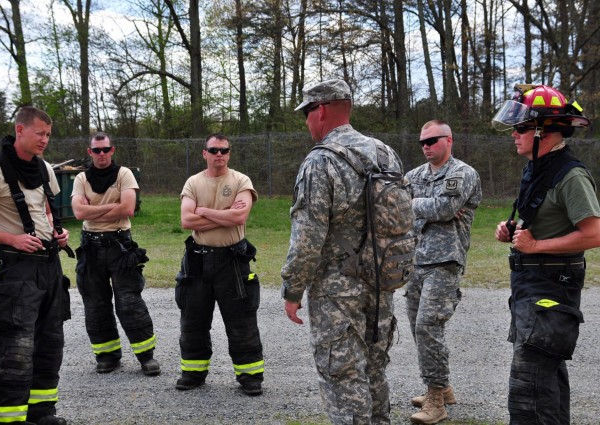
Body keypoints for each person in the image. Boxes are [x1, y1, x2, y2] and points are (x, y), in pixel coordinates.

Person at [281, 79, 403, 424]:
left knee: (342, 376)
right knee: (375, 369)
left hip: (337, 290)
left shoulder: (320, 161)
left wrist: (293, 289)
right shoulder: (384, 153)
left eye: (307, 112)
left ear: (320, 110)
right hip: (381, 281)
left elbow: (308, 235)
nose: (306, 121)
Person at [492, 84, 600, 424]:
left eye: (522, 128)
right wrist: (512, 229)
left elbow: (594, 233)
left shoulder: (571, 175)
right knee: (545, 378)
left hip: (552, 288)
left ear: (545, 132)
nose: (515, 135)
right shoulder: (538, 169)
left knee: (529, 391)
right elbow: (544, 217)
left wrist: (536, 246)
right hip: (531, 285)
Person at [0, 107, 70, 425]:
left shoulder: (45, 168)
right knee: (16, 348)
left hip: (50, 267)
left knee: (50, 342)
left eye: (48, 134)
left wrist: (58, 234)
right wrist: (11, 239)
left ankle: (40, 412)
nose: (45, 140)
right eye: (40, 133)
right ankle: (5, 420)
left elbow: (47, 213)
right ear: (20, 130)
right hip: (17, 268)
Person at [403, 120, 482, 424]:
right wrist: (424, 205)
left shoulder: (462, 173)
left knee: (427, 326)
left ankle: (436, 400)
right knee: (417, 328)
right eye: (422, 141)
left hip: (445, 261)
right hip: (415, 260)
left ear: (448, 140)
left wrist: (415, 204)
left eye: (433, 140)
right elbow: (397, 204)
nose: (426, 146)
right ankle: (444, 387)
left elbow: (444, 210)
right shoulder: (414, 175)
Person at [174, 133, 264, 396]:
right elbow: (186, 222)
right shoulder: (193, 182)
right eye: (213, 150)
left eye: (224, 150)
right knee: (193, 319)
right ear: (205, 153)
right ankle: (193, 373)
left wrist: (204, 211)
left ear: (229, 153)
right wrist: (225, 216)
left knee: (241, 319)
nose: (219, 154)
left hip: (232, 261)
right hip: (198, 260)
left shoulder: (240, 180)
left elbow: (240, 216)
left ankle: (250, 376)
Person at [71, 132, 160, 376]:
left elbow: (128, 208)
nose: (101, 154)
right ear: (90, 152)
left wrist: (93, 209)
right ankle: (107, 356)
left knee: (129, 302)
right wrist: (113, 207)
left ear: (112, 150)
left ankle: (146, 357)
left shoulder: (124, 174)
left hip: (120, 245)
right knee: (96, 304)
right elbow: (78, 213)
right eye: (96, 150)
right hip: (91, 247)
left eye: (105, 149)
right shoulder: (81, 178)